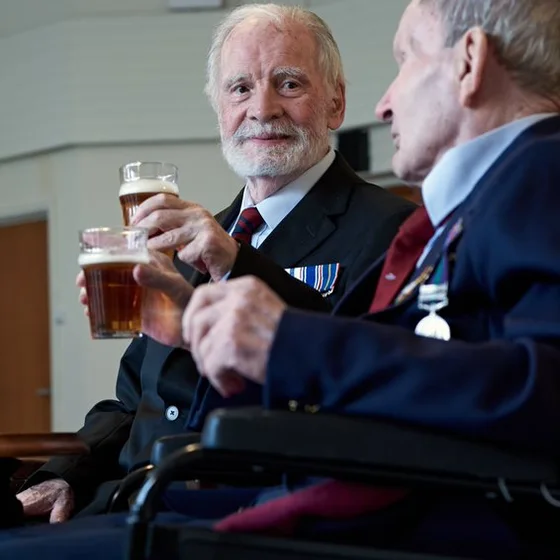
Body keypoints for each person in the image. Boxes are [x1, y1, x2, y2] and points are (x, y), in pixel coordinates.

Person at [16, 3, 414, 522]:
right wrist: (61, 477)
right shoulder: (188, 240)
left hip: (235, 511)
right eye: (240, 88)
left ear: (336, 104)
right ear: (219, 109)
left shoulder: (394, 229)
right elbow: (132, 403)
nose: (262, 107)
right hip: (123, 502)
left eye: (289, 84)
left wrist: (235, 264)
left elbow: (356, 378)